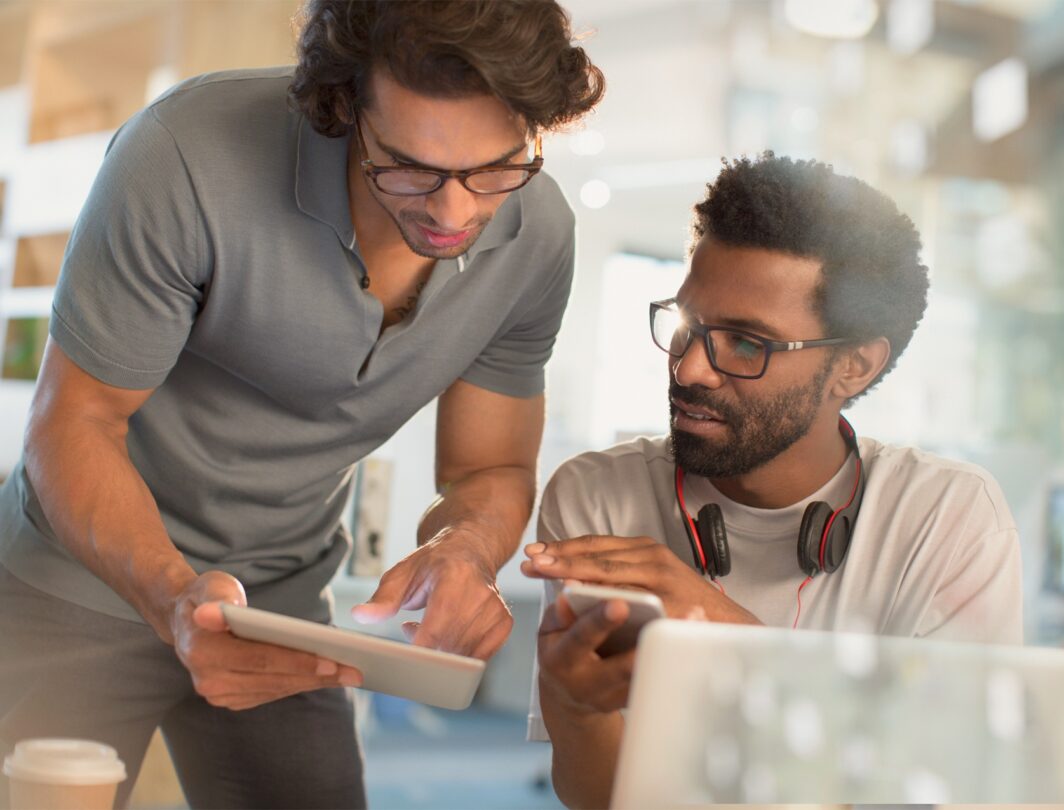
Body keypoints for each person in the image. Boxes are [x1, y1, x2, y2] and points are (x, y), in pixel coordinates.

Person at [0, 1, 604, 807]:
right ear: (344, 105)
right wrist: (174, 598)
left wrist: (466, 549)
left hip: (283, 599)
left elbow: (488, 467)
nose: (454, 214)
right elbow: (74, 423)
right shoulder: (185, 155)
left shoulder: (538, 235)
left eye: (497, 166)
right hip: (79, 576)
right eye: (409, 168)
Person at [520, 153, 1023, 809]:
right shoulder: (595, 496)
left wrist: (724, 636)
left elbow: (943, 786)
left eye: (746, 343)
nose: (693, 368)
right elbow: (597, 796)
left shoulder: (947, 519)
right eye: (686, 324)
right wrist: (577, 712)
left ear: (854, 367)